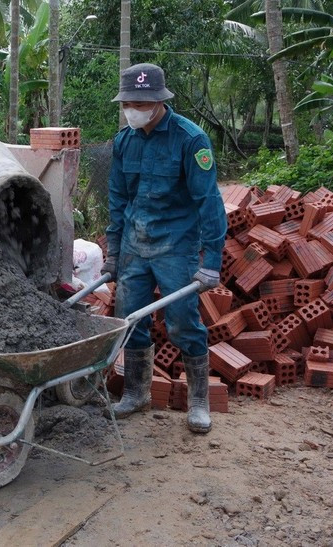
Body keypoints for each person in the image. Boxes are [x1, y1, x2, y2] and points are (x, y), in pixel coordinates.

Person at [102, 63, 227, 434]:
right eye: (128, 102)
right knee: (130, 319)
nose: (133, 109)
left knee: (183, 322)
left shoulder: (191, 140)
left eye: (141, 102)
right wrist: (112, 252)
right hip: (134, 246)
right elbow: (117, 199)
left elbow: (209, 203)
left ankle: (199, 401)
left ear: (158, 101)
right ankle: (138, 392)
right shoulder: (125, 141)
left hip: (176, 247)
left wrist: (212, 261)